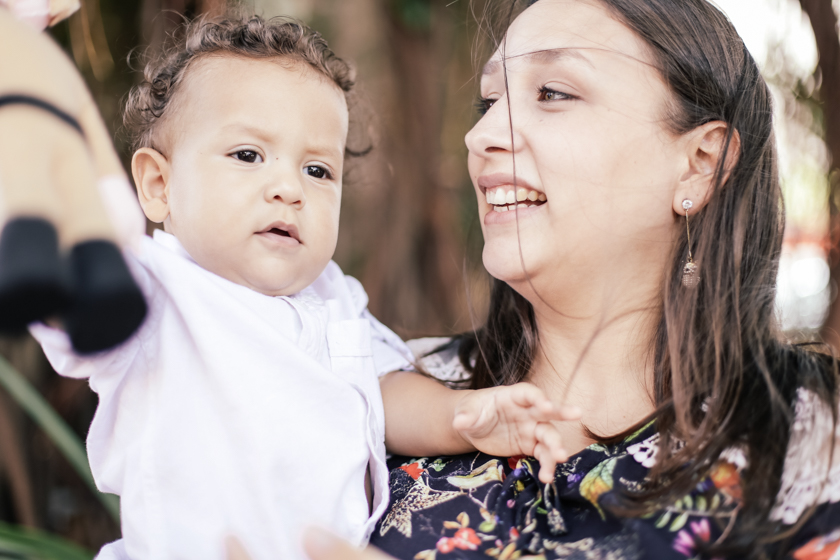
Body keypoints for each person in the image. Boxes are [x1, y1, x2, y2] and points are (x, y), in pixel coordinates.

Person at [19, 12, 582, 560]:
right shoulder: (157, 289)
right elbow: (66, 291)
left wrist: (464, 419)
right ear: (159, 185)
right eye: (248, 155)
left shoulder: (336, 298)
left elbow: (381, 394)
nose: (289, 187)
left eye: (317, 170)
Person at [370, 0, 840, 558]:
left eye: (552, 93)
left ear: (700, 163)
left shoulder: (811, 436)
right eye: (489, 100)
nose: (482, 134)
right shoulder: (384, 395)